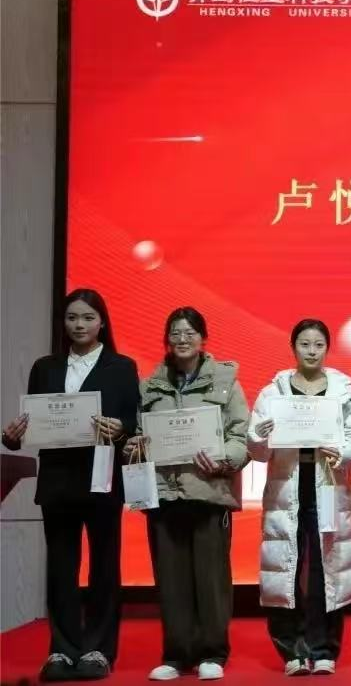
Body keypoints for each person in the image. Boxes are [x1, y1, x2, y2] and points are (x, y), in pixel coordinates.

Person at [2, 289, 139, 682]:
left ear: (102, 322)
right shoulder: (44, 367)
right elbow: (33, 426)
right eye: (72, 318)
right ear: (63, 323)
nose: (79, 325)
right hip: (58, 480)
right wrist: (12, 437)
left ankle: (98, 649)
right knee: (61, 567)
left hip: (102, 477)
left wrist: (121, 428)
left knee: (104, 566)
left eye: (88, 317)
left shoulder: (121, 367)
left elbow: (134, 422)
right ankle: (61, 649)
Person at [123, 307, 250, 682]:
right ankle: (177, 654)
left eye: (190, 332)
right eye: (175, 333)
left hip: (209, 491)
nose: (182, 339)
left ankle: (213, 652)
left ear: (203, 339)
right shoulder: (149, 386)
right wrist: (135, 446)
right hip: (164, 494)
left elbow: (241, 436)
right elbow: (138, 436)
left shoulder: (225, 381)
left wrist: (222, 458)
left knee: (211, 578)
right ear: (167, 340)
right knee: (171, 578)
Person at [248, 319, 351, 676]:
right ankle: (292, 651)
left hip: (328, 487)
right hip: (287, 489)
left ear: (327, 348)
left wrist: (343, 453)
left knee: (328, 568)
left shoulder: (344, 391)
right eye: (304, 344)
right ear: (293, 347)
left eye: (318, 345)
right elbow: (257, 451)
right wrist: (260, 435)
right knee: (284, 569)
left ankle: (324, 648)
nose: (311, 351)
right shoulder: (273, 392)